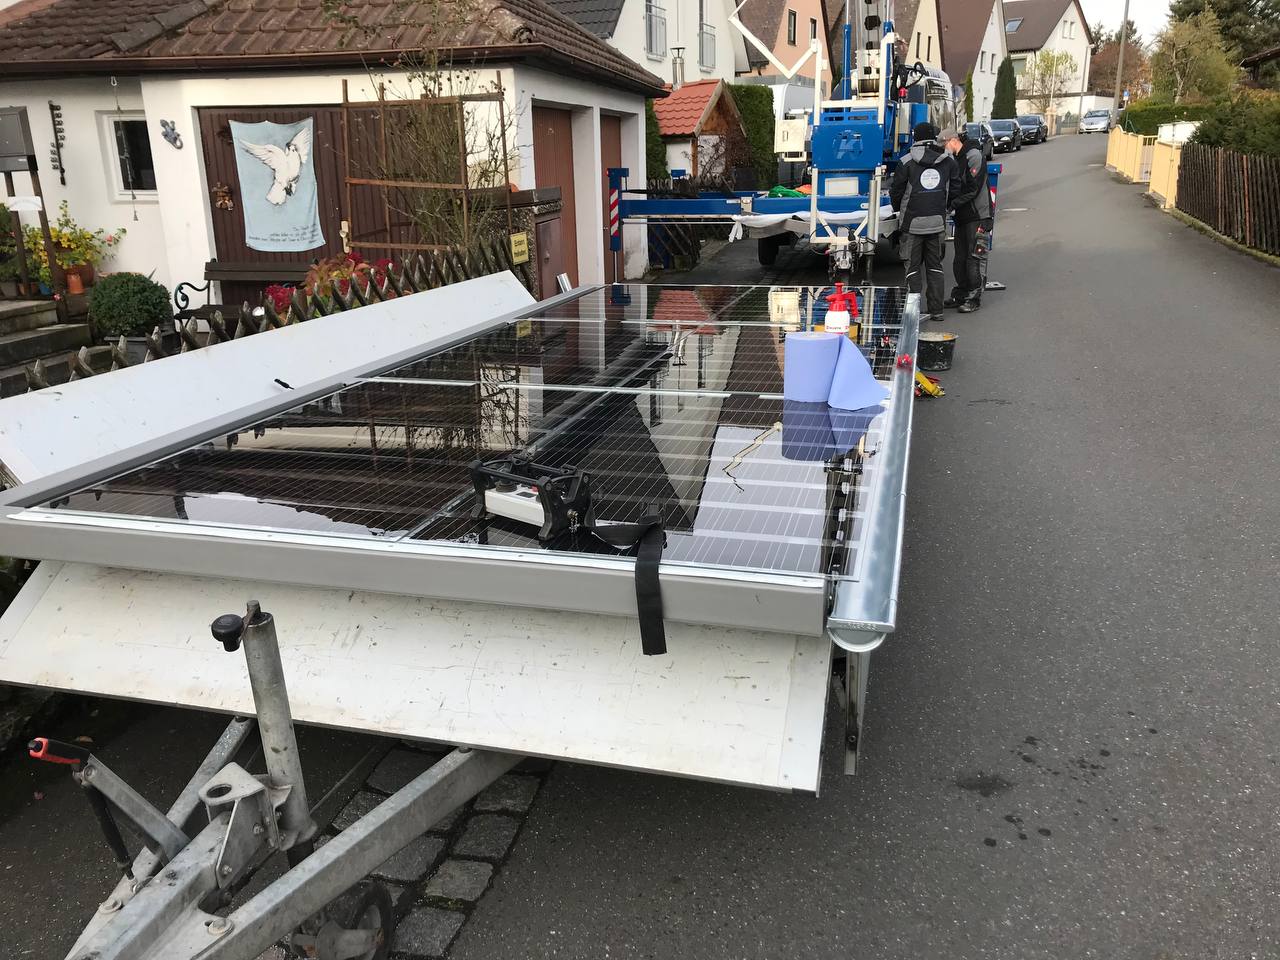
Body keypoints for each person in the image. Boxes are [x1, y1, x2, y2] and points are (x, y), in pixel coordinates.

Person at [889, 122, 961, 322]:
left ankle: (913, 313)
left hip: (912, 224)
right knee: (935, 267)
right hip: (937, 222)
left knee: (912, 268)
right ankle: (936, 311)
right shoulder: (948, 161)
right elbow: (955, 188)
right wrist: (945, 208)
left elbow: (896, 192)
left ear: (915, 137)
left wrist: (899, 210)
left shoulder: (906, 162)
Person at [942, 126, 992, 313]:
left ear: (952, 141)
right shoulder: (958, 158)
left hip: (977, 215)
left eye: (944, 145)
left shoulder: (974, 156)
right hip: (963, 216)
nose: (944, 149)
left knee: (974, 258)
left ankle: (973, 297)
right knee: (960, 259)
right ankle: (961, 293)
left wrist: (950, 205)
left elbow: (973, 189)